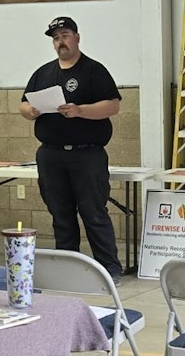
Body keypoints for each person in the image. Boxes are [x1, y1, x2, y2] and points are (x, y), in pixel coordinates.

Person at [20, 15, 122, 275]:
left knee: (93, 213)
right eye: (56, 38)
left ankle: (109, 268)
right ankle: (68, 267)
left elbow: (113, 105)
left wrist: (80, 111)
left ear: (77, 38)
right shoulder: (43, 73)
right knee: (60, 214)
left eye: (65, 36)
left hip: (86, 154)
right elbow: (23, 104)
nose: (60, 42)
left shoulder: (94, 70)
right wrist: (30, 111)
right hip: (51, 155)